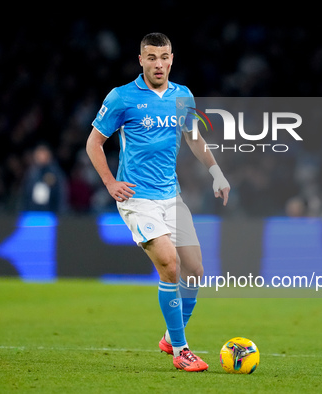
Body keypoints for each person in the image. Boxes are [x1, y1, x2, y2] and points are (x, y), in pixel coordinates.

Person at [86, 32, 230, 372]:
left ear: (172, 58)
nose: (159, 64)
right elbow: (94, 143)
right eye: (151, 57)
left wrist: (216, 172)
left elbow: (194, 137)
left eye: (164, 57)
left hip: (171, 196)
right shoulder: (122, 98)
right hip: (138, 199)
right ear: (141, 60)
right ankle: (181, 350)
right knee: (169, 264)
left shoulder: (182, 96)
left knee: (195, 271)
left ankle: (170, 336)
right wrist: (109, 182)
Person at [20, 143, 68, 213]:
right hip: (32, 211)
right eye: (39, 154)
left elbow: (61, 193)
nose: (42, 157)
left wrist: (60, 211)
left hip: (50, 211)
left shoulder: (56, 173)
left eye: (44, 154)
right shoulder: (32, 173)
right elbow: (26, 192)